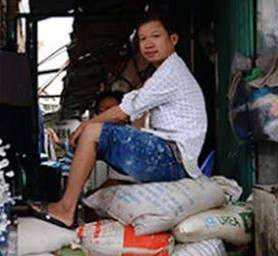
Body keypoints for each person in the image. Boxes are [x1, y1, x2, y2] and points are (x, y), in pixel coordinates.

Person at [30, 13, 208, 228]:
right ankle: (75, 205)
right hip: (170, 158)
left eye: (155, 36)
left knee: (93, 133)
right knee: (100, 166)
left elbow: (124, 111)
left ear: (173, 40)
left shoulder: (171, 71)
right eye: (142, 39)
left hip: (172, 159)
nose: (148, 44)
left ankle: (66, 209)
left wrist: (87, 124)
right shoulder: (163, 73)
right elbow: (132, 103)